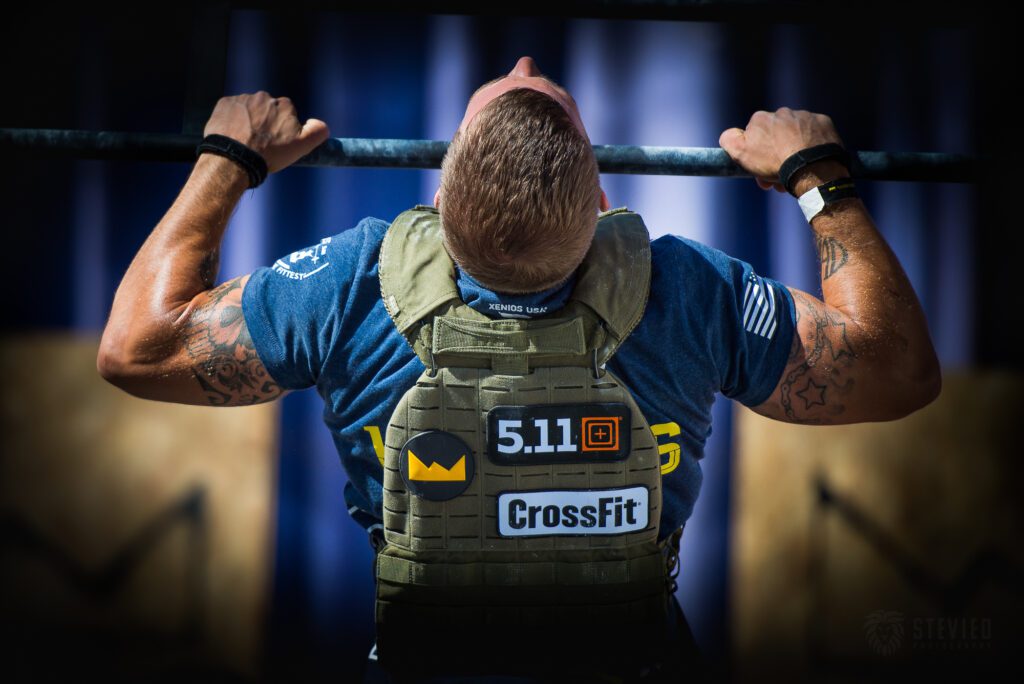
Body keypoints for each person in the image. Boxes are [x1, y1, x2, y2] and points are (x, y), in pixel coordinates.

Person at [97, 55, 941, 682]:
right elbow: (897, 370)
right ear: (606, 210)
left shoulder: (355, 285)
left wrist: (226, 158)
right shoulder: (684, 288)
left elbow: (138, 345)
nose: (524, 63)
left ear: (435, 207)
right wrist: (816, 177)